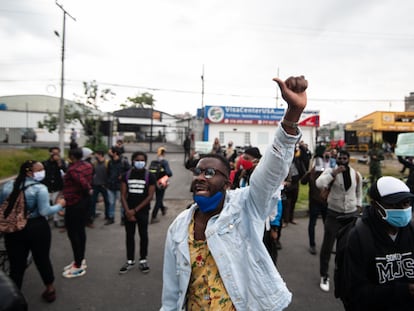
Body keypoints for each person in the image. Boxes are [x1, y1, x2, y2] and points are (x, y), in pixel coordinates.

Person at [161, 75, 307, 310]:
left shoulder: (246, 206)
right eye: (198, 172)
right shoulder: (178, 228)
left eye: (209, 172)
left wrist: (292, 115)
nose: (199, 177)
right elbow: (171, 294)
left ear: (227, 183)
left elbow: (271, 171)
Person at [343, 176, 414, 310]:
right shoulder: (360, 237)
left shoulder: (411, 231)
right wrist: (404, 290)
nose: (402, 209)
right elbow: (355, 293)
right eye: (393, 204)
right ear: (376, 205)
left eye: (406, 203)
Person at [0, 160, 66, 302]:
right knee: (42, 259)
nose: (43, 172)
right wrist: (60, 205)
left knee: (16, 264)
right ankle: (50, 289)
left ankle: (13, 297)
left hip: (14, 229)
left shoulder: (7, 186)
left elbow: (3, 208)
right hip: (36, 228)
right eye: (39, 170)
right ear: (29, 172)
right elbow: (44, 211)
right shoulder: (40, 188)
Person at [316, 150, 362, 292]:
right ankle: (324, 275)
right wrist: (334, 173)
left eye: (345, 158)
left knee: (346, 246)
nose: (342, 160)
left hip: (350, 214)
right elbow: (319, 183)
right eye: (340, 158)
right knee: (328, 246)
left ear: (349, 159)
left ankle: (343, 272)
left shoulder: (356, 174)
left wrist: (358, 205)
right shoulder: (331, 171)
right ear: (337, 159)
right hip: (333, 213)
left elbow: (359, 191)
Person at [119, 151, 156, 274]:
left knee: (143, 235)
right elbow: (123, 195)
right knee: (129, 236)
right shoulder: (126, 175)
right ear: (133, 161)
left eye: (142, 160)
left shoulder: (149, 176)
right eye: (137, 160)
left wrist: (135, 210)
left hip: (142, 211)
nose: (140, 162)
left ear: (145, 162)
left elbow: (150, 196)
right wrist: (128, 211)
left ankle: (143, 259)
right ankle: (130, 260)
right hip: (129, 211)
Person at [62, 147, 93, 278]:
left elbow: (83, 183)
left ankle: (78, 265)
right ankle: (80, 259)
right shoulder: (87, 165)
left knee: (73, 232)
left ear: (72, 156)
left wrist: (88, 189)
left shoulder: (73, 169)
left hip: (74, 203)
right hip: (84, 202)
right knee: (80, 231)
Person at [301, 157, 327, 255]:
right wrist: (308, 172)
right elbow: (303, 182)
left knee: (327, 225)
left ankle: (327, 245)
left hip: (325, 202)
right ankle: (312, 245)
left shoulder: (326, 173)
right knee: (312, 223)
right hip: (314, 202)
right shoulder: (311, 174)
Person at [42, 147, 67, 228]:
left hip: (57, 186)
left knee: (56, 203)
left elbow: (66, 170)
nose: (55, 155)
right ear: (50, 153)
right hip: (47, 186)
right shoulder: (45, 163)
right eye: (54, 153)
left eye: (57, 153)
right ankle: (44, 220)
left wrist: (59, 163)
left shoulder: (61, 162)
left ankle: (56, 220)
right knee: (45, 203)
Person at [283, 146, 306, 225]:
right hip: (287, 183)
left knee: (293, 201)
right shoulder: (284, 161)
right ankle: (285, 220)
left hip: (296, 182)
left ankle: (291, 218)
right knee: (287, 203)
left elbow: (304, 160)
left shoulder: (297, 160)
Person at [107, 147, 130, 225]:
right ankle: (111, 217)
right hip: (111, 185)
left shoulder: (124, 162)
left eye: (110, 152)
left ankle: (123, 218)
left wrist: (123, 176)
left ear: (115, 153)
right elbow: (108, 172)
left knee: (122, 203)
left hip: (120, 187)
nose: (109, 153)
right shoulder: (110, 162)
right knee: (111, 203)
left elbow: (129, 171)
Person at [150, 147, 173, 223]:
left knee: (158, 197)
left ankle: (163, 209)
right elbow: (169, 173)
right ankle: (154, 216)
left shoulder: (154, 162)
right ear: (163, 153)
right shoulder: (164, 162)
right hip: (161, 183)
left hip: (153, 182)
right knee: (159, 199)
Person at [90, 150, 111, 225]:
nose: (95, 156)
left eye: (96, 154)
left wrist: (107, 183)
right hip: (95, 184)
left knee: (107, 201)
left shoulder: (107, 163)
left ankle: (108, 215)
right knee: (93, 201)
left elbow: (110, 173)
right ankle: (92, 214)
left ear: (100, 155)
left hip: (104, 185)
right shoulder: (95, 163)